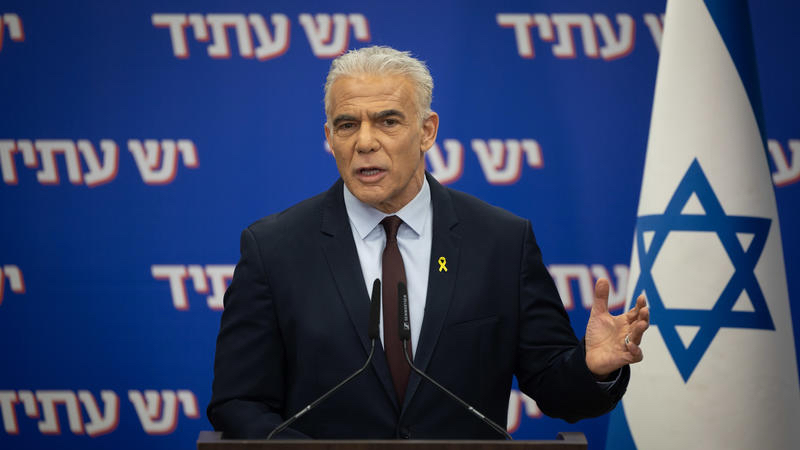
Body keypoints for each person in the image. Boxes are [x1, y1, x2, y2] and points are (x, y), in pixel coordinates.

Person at [208, 45, 649, 440]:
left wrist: (592, 368)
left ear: (427, 131)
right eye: (347, 125)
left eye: (388, 121)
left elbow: (558, 391)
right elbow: (238, 402)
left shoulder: (501, 242)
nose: (365, 142)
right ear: (329, 138)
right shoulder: (274, 249)